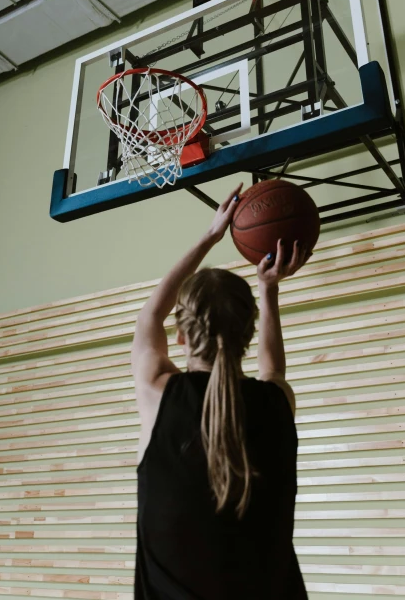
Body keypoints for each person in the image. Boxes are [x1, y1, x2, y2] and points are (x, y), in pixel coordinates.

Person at [131, 184, 310, 600]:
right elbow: (273, 370)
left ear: (180, 335)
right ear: (247, 332)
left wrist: (211, 235)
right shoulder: (277, 404)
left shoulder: (159, 395)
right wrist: (269, 288)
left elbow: (148, 317)